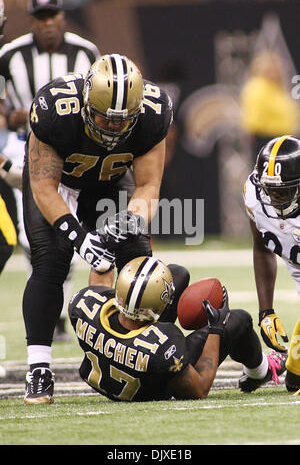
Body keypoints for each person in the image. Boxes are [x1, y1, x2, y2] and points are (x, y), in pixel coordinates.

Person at [22, 53, 173, 404]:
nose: (113, 127)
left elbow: (149, 186)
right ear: (87, 101)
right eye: (105, 116)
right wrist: (79, 237)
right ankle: (39, 368)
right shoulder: (54, 110)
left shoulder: (153, 114)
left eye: (123, 120)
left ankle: (142, 352)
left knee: (137, 258)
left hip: (110, 185)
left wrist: (131, 219)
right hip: (59, 186)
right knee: (51, 262)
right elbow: (43, 187)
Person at [32, 255, 287, 405]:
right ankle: (260, 371)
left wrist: (104, 256)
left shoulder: (83, 303)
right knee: (239, 319)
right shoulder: (164, 343)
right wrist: (216, 329)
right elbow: (199, 389)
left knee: (177, 274)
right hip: (150, 385)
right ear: (155, 311)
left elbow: (101, 285)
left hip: (108, 359)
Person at [0, 0, 100, 340]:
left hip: (72, 151)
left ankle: (57, 309)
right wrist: (10, 116)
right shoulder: (10, 55)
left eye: (52, 16)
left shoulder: (86, 52)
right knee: (34, 236)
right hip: (24, 146)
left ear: (63, 16)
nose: (47, 24)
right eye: (40, 17)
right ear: (32, 20)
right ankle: (53, 305)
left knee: (64, 228)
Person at [243, 134, 300, 393]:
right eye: (271, 191)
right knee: (295, 382)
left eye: (284, 192)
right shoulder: (254, 196)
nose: (275, 199)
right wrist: (266, 312)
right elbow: (261, 246)